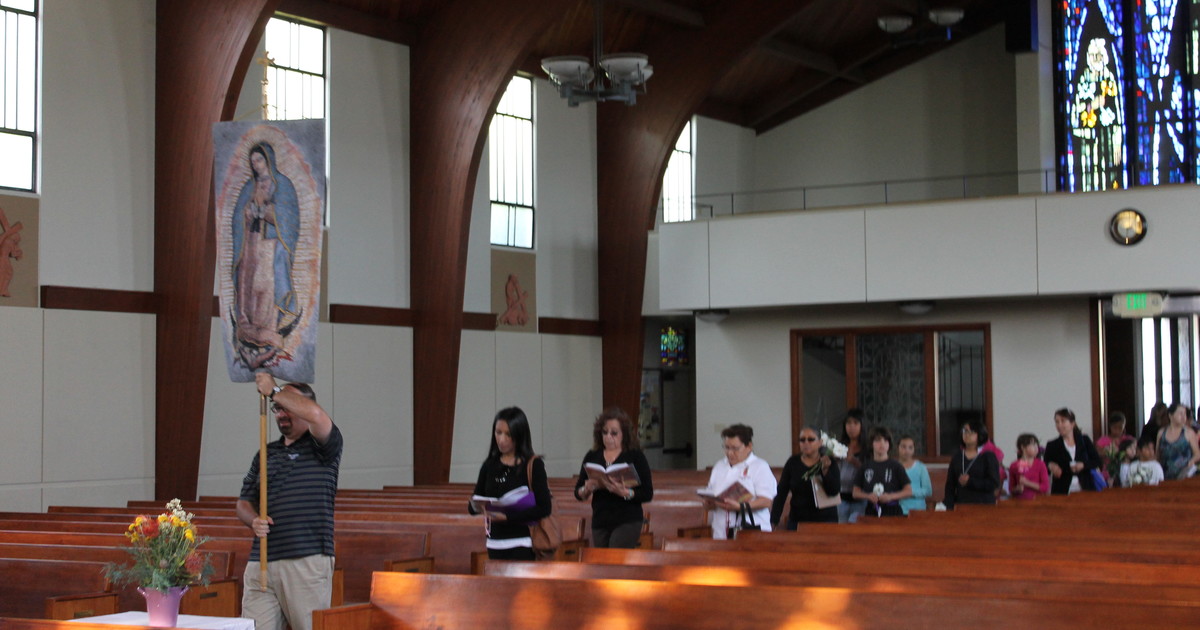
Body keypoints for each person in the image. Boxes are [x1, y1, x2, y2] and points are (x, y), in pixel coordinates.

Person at [236, 373, 341, 630]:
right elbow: (243, 503)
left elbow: (317, 416)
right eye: (277, 409)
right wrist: (254, 520)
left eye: (288, 406)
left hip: (305, 558)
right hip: (262, 560)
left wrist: (274, 391)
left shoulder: (324, 446)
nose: (281, 413)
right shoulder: (266, 452)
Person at [232, 142, 301, 371]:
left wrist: (266, 213)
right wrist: (247, 213)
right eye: (252, 162)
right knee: (247, 284)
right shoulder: (247, 188)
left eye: (259, 160)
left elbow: (289, 219)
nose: (256, 165)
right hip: (250, 243)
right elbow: (237, 218)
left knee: (265, 285)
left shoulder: (282, 185)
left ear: (268, 160)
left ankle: (267, 328)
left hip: (270, 245)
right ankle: (247, 326)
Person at [469, 407, 552, 560]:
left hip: (522, 542)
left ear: (519, 435)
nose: (501, 439)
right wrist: (478, 506)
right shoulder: (489, 465)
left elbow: (544, 507)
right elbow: (473, 505)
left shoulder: (533, 465)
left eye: (508, 434)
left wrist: (508, 517)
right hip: (494, 543)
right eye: (498, 432)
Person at [573, 407, 654, 548]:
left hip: (627, 518)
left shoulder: (635, 456)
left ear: (624, 434)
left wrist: (626, 493)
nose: (608, 437)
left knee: (615, 559)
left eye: (614, 433)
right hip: (601, 519)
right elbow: (578, 492)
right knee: (603, 564)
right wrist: (586, 489)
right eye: (605, 432)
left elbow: (647, 493)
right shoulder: (593, 455)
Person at [702, 424, 776, 539]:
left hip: (751, 529)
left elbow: (766, 501)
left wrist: (740, 506)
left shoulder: (760, 466)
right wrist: (709, 504)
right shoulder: (720, 466)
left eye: (735, 448)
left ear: (749, 446)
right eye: (726, 447)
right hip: (721, 531)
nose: (730, 453)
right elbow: (712, 493)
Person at [771, 426, 841, 529]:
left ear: (820, 442)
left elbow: (834, 491)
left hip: (826, 521)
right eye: (802, 440)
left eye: (811, 439)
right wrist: (774, 520)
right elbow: (781, 492)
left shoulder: (828, 461)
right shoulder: (792, 462)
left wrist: (825, 470)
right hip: (798, 520)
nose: (806, 443)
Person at [851, 426, 911, 517]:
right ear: (871, 444)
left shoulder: (896, 466)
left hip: (893, 511)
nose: (882, 444)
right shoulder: (865, 466)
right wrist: (868, 496)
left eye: (885, 441)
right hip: (872, 511)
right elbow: (855, 492)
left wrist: (890, 496)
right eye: (878, 440)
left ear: (889, 444)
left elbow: (908, 491)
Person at [1043, 407, 1102, 494]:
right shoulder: (1052, 445)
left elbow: (1097, 462)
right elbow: (1045, 465)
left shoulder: (1084, 440)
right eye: (1057, 422)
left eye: (1063, 421)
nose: (1059, 425)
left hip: (1085, 487)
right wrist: (1050, 466)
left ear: (1072, 424)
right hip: (1062, 488)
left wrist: (1083, 465)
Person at [943, 418, 1000, 508]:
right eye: (965, 431)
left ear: (980, 434)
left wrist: (970, 482)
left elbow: (994, 483)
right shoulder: (957, 457)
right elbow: (950, 485)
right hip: (962, 504)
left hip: (984, 505)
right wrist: (948, 505)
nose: (967, 434)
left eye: (971, 432)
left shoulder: (988, 456)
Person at [836, 409, 869, 523]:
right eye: (848, 423)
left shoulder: (868, 448)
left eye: (855, 423)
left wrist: (854, 462)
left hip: (861, 498)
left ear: (862, 425)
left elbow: (871, 472)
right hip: (841, 496)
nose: (851, 427)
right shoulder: (839, 446)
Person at [1157, 403, 1200, 480]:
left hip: (1185, 475)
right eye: (1180, 413)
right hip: (1165, 475)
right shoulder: (1161, 433)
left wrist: (1191, 462)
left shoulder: (1189, 433)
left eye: (1185, 414)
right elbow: (1158, 455)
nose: (1184, 417)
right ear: (1170, 415)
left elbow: (1197, 454)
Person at [896, 435, 931, 514]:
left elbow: (928, 491)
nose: (907, 451)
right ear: (898, 448)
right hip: (898, 510)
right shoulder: (894, 467)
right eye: (903, 447)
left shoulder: (920, 467)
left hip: (918, 510)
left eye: (910, 447)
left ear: (914, 449)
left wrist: (909, 493)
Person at [1008, 433, 1049, 500]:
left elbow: (1045, 487)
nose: (1036, 448)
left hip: (1037, 501)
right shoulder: (1014, 465)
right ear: (1023, 447)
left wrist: (1027, 483)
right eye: (1033, 445)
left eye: (1036, 445)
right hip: (1019, 502)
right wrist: (1017, 489)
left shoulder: (1041, 464)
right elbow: (1011, 489)